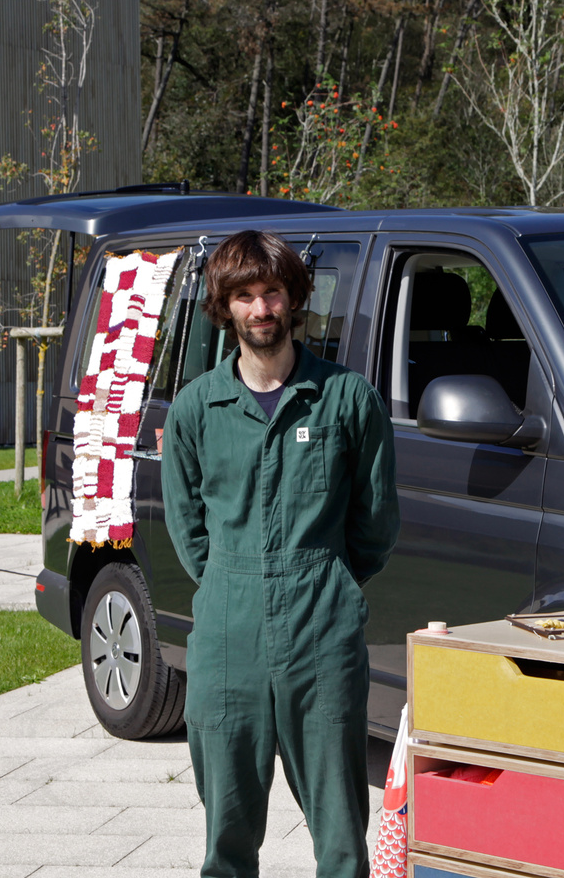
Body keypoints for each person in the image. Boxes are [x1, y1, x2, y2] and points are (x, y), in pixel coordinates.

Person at [162, 230, 399, 878]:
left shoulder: (349, 401)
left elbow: (375, 522)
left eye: (272, 292)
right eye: (245, 295)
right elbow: (189, 531)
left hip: (321, 626)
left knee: (340, 832)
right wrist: (232, 584)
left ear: (294, 299)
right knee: (227, 833)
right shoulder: (195, 410)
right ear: (225, 307)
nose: (261, 308)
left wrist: (326, 578)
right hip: (226, 633)